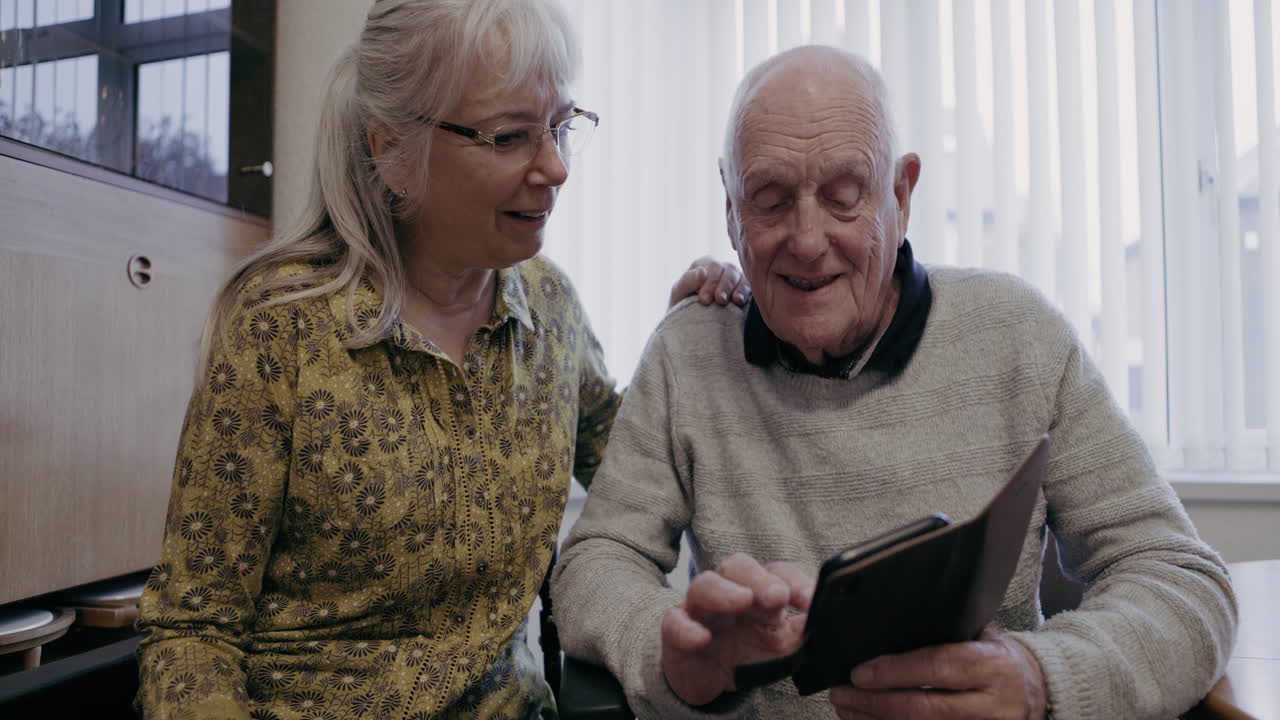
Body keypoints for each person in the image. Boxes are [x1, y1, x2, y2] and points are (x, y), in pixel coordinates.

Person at [551, 45, 1237, 720]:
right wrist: (676, 654)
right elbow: (596, 561)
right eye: (770, 199)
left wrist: (1039, 679)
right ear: (730, 209)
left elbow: (1180, 578)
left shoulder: (1018, 334)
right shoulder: (687, 351)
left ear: (901, 195)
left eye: (845, 196)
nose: (809, 239)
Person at [134, 2, 749, 719]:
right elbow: (192, 630)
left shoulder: (549, 310)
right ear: (393, 151)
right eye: (511, 136)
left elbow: (638, 476)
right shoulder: (280, 331)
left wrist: (686, 342)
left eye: (562, 126)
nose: (553, 167)